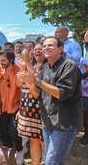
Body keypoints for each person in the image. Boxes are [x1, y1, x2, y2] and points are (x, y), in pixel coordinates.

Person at [18, 36, 82, 164]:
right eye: (44, 46)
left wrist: (36, 81)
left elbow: (61, 93)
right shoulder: (45, 68)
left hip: (64, 123)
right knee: (54, 160)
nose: (46, 48)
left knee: (51, 161)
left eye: (50, 45)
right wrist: (29, 83)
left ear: (60, 49)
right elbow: (38, 95)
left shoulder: (69, 66)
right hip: (47, 121)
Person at [16, 44, 46, 165]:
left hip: (41, 108)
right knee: (34, 140)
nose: (37, 51)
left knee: (43, 141)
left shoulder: (47, 67)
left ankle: (46, 161)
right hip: (27, 108)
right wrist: (22, 69)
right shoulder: (30, 66)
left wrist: (27, 63)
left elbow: (36, 80)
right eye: (36, 50)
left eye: (40, 49)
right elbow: (19, 85)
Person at [0, 51, 23, 164]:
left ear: (10, 60)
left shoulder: (18, 70)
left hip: (16, 106)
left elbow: (22, 90)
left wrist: (21, 109)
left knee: (15, 132)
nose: (1, 62)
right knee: (3, 132)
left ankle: (20, 154)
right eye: (0, 60)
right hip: (3, 106)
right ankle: (9, 155)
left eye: (3, 60)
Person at [80, 58, 88, 145]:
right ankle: (86, 135)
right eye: (85, 66)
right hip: (84, 96)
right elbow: (81, 76)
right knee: (85, 116)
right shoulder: (84, 60)